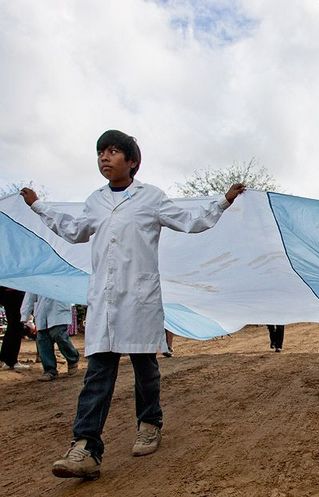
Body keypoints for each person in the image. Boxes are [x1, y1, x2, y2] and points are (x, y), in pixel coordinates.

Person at [19, 129, 245, 480]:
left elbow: (189, 221)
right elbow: (73, 229)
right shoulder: (94, 201)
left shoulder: (151, 197)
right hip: (105, 301)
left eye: (112, 152)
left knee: (144, 366)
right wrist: (37, 206)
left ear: (133, 162)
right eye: (100, 153)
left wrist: (223, 201)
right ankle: (86, 446)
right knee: (98, 372)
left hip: (139, 298)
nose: (104, 158)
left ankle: (149, 422)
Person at [20, 293, 80, 381]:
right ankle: (49, 370)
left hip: (59, 310)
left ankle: (72, 359)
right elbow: (29, 297)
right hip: (41, 313)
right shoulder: (35, 280)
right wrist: (25, 316)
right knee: (43, 342)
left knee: (59, 335)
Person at [0, 287, 29, 371]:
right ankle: (11, 361)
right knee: (16, 327)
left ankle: (5, 359)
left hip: (9, 294)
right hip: (13, 294)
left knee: (12, 327)